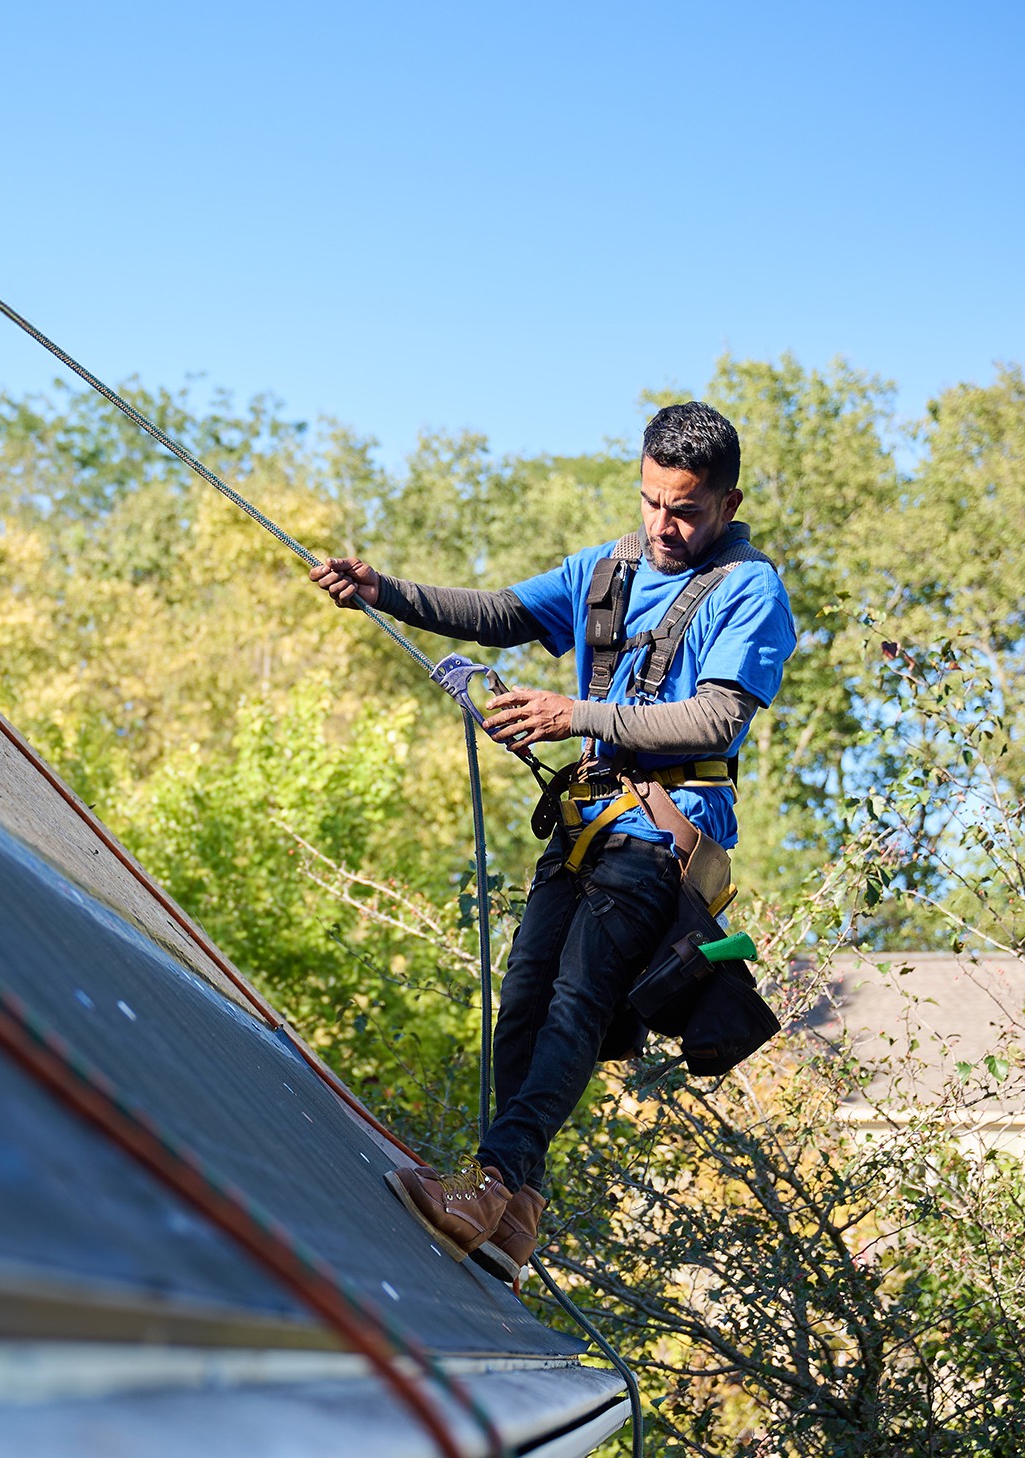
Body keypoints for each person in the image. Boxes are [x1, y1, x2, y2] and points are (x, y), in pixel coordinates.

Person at [308, 401, 797, 1282]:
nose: (662, 526)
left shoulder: (748, 590)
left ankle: (491, 1181)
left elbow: (719, 714)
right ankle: (515, 1213)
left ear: (727, 503)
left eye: (684, 510)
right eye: (651, 501)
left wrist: (574, 713)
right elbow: (499, 612)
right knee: (526, 1001)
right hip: (588, 823)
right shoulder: (607, 569)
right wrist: (384, 592)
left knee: (577, 998)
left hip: (661, 835)